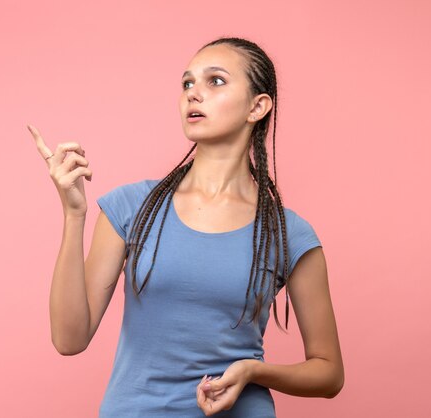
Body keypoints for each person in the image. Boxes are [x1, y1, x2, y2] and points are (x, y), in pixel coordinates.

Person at [28, 36, 344, 417]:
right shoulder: (133, 207)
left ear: (257, 106)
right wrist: (73, 214)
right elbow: (69, 339)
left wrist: (254, 371)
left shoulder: (287, 234)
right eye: (187, 83)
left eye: (216, 81)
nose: (194, 94)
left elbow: (329, 373)